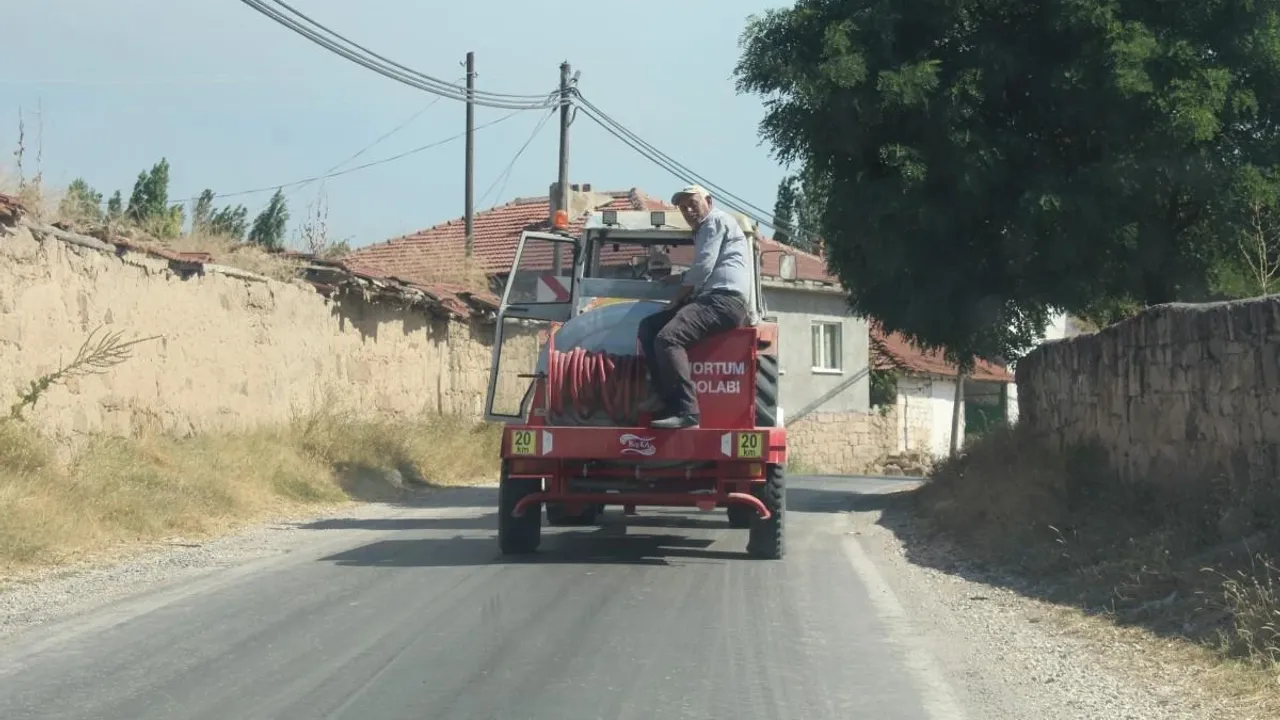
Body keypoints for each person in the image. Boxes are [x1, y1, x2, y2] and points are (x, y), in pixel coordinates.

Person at [637, 184, 752, 429]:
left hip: (722, 300)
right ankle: (662, 397)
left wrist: (678, 297)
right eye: (683, 207)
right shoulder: (704, 231)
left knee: (668, 339)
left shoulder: (715, 222)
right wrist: (678, 278)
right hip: (715, 298)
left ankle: (688, 412)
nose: (689, 210)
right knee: (649, 326)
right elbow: (705, 268)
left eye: (693, 203)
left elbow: (702, 268)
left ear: (709, 201)